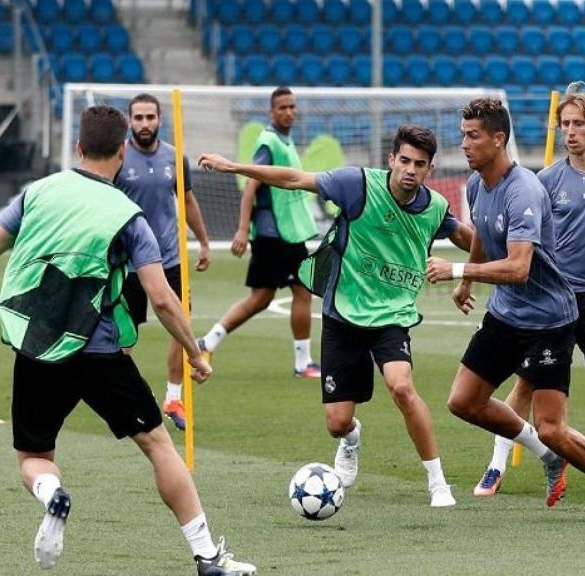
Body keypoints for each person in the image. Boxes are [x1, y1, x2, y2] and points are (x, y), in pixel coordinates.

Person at [0, 105, 255, 575]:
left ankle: (53, 495)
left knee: (34, 457)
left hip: (39, 350)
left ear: (78, 148)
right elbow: (161, 298)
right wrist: (196, 354)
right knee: (158, 445)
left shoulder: (37, 193)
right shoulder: (129, 216)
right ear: (122, 152)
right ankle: (207, 557)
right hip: (101, 354)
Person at [198, 124, 473, 507]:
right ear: (392, 159)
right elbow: (294, 178)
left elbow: (469, 240)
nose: (411, 169)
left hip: (393, 314)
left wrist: (474, 274)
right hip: (343, 313)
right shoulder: (356, 185)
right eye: (405, 160)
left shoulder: (435, 208)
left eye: (420, 164)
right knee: (337, 422)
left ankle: (437, 483)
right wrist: (235, 168)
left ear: (430, 170)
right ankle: (351, 438)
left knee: (402, 387)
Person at [426, 97, 585, 523]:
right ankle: (547, 456)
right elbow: (483, 232)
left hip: (549, 322)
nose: (464, 144)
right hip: (506, 315)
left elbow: (519, 268)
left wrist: (458, 269)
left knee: (554, 427)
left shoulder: (525, 191)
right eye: (463, 135)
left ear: (498, 139)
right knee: (463, 401)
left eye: (473, 136)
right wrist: (467, 283)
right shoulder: (476, 183)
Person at [470, 91, 585, 498]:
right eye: (563, 124)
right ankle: (495, 466)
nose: (569, 132)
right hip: (552, 301)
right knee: (524, 387)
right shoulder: (544, 180)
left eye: (578, 123)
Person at [198, 86, 321, 378]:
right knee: (302, 291)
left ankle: (209, 340)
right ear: (271, 112)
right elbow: (251, 185)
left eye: (292, 106)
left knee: (262, 298)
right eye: (282, 108)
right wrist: (242, 229)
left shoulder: (284, 141)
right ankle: (303, 363)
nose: (289, 112)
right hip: (276, 233)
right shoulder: (268, 141)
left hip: (283, 232)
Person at [116, 92, 212, 432]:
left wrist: (202, 241)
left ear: (159, 120)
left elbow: (186, 200)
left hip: (169, 260)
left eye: (150, 117)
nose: (144, 124)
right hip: (127, 263)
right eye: (138, 118)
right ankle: (122, 398)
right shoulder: (118, 156)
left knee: (179, 324)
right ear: (130, 121)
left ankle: (173, 398)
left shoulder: (174, 156)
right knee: (124, 337)